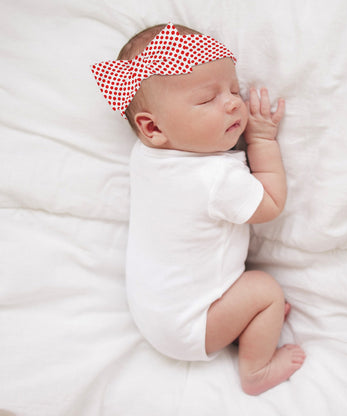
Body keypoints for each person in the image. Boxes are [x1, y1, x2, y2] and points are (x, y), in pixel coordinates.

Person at [91, 22, 305, 396]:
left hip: (156, 313)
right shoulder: (216, 178)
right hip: (192, 326)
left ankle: (244, 325)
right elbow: (270, 204)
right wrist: (261, 139)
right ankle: (256, 371)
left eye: (234, 89)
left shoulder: (146, 156)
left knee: (250, 295)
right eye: (208, 99)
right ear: (153, 127)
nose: (233, 102)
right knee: (266, 290)